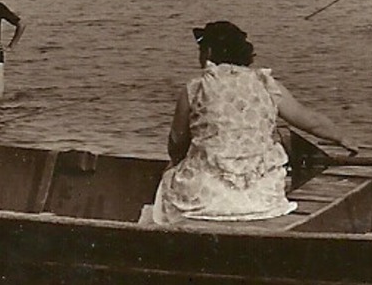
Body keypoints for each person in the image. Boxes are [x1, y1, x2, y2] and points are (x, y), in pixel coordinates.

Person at [141, 21, 356, 225]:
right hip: (261, 197)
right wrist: (343, 138)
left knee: (169, 178)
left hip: (205, 197)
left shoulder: (197, 88)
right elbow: (310, 121)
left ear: (207, 54)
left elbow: (176, 142)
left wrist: (177, 162)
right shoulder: (266, 84)